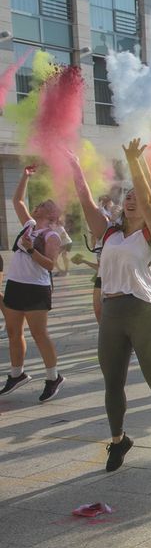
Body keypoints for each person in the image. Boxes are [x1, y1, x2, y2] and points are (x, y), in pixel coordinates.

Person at [70, 142, 151, 473]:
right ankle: (119, 440)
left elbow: (149, 199)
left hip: (144, 311)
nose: (131, 198)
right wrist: (74, 166)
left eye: (136, 193)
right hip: (112, 312)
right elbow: (85, 201)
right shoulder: (108, 232)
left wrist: (134, 161)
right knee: (112, 382)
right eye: (127, 195)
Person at [1, 164, 64, 400]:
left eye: (45, 205)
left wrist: (29, 251)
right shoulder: (29, 225)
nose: (38, 205)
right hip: (15, 284)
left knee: (39, 334)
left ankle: (53, 377)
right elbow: (18, 201)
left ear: (51, 215)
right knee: (13, 331)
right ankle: (17, 374)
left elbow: (50, 265)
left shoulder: (51, 235)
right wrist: (24, 176)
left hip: (36, 288)